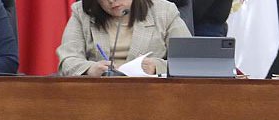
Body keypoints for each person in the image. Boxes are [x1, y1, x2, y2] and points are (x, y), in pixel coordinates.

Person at [56, 0, 191, 77]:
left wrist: (157, 67)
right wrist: (90, 69)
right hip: (99, 94)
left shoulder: (164, 11)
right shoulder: (82, 13)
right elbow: (68, 60)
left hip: (152, 93)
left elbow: (190, 61)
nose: (111, 1)